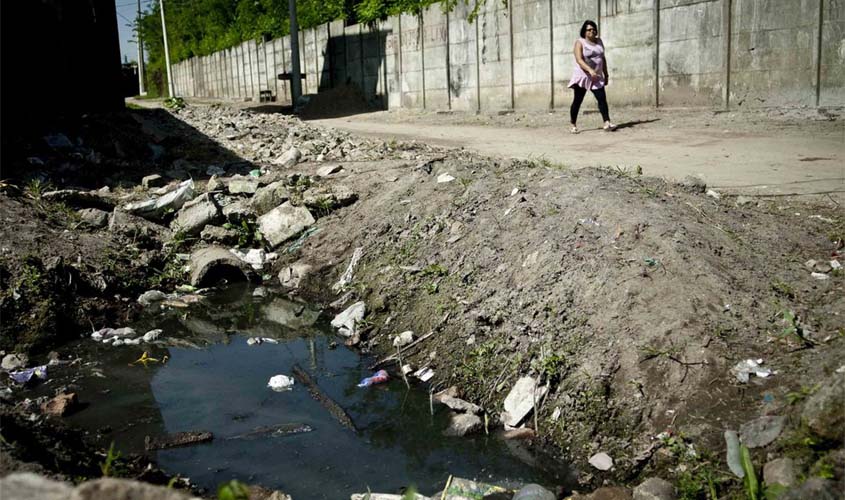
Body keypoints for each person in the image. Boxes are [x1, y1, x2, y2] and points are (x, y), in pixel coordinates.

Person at [568, 20, 616, 134]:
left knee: (602, 99)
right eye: (589, 29)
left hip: (597, 76)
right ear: (584, 32)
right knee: (577, 101)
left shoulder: (599, 41)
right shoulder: (580, 42)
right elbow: (579, 59)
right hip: (583, 75)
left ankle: (607, 122)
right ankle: (573, 124)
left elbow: (602, 58)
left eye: (594, 29)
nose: (592, 31)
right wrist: (589, 70)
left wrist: (606, 74)